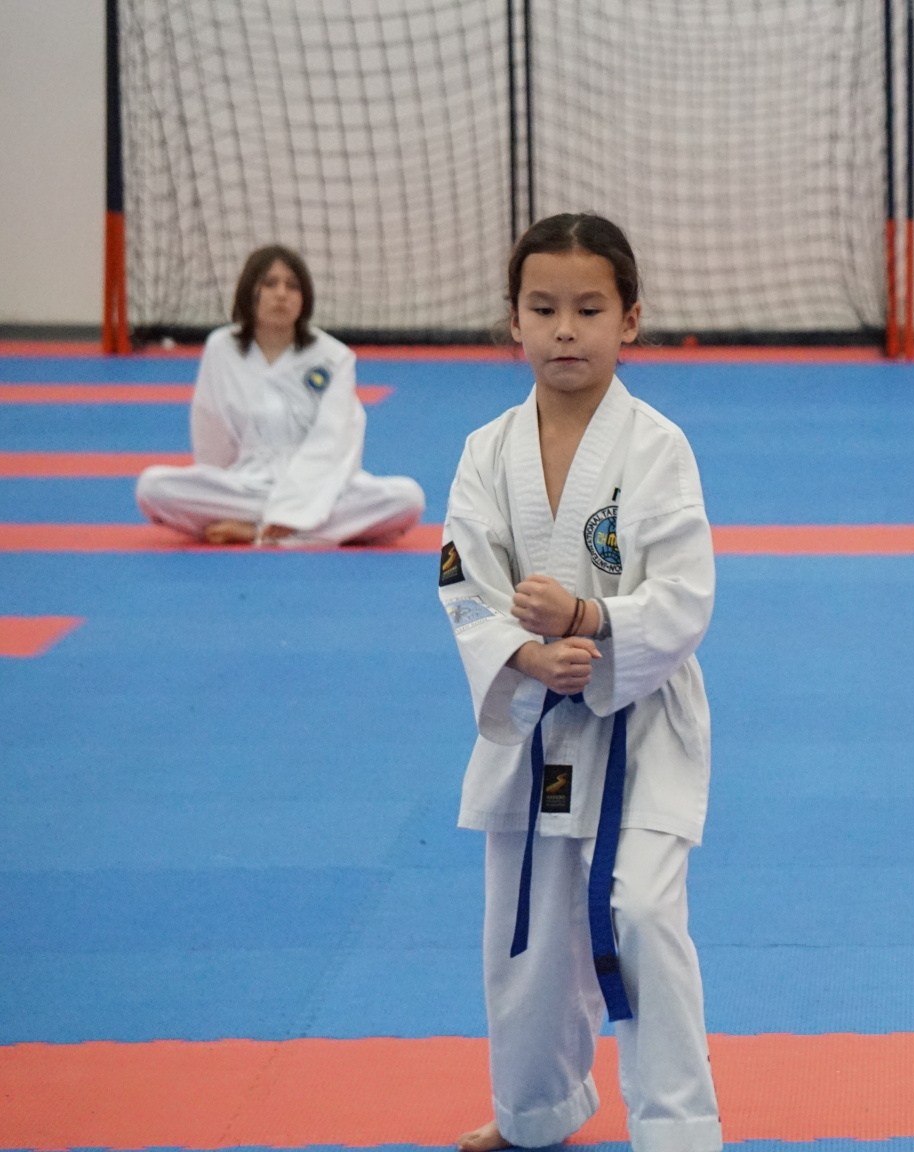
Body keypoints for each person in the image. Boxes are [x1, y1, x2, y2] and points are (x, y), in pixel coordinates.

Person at [437, 214, 720, 1152]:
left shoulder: (657, 447)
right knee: (526, 940)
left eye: (589, 309)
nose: (566, 330)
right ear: (512, 320)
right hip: (533, 725)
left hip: (640, 721)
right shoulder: (486, 450)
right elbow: (462, 585)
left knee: (642, 913)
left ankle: (678, 1131)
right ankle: (536, 1111)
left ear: (629, 320)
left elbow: (686, 595)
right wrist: (526, 656)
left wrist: (591, 621)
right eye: (544, 308)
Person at [134, 245, 424, 546]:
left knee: (407, 499)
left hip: (321, 486)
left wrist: (294, 509)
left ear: (305, 298)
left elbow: (333, 439)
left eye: (292, 286)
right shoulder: (222, 348)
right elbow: (210, 430)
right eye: (270, 284)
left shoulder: (333, 357)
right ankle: (301, 531)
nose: (281, 294)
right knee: (152, 487)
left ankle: (259, 531)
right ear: (249, 292)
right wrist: (220, 486)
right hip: (249, 484)